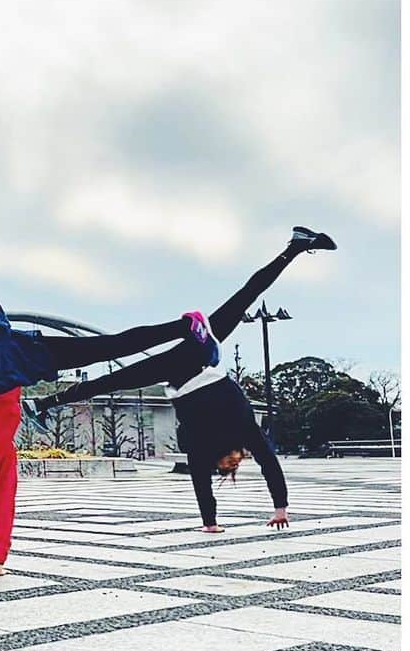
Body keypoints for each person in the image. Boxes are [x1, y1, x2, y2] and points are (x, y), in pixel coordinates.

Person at [0, 154, 207, 575]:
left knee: (107, 347)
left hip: (11, 366)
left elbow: (2, 506)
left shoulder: (0, 461)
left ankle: (184, 326)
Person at [30, 227, 337, 532]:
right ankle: (289, 252)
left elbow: (200, 479)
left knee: (111, 374)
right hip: (198, 364)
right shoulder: (244, 431)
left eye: (228, 466)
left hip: (183, 371)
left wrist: (210, 524)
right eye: (236, 463)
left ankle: (44, 403)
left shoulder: (202, 445)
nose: (235, 462)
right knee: (245, 296)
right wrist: (281, 506)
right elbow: (269, 463)